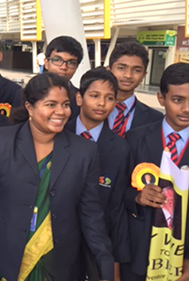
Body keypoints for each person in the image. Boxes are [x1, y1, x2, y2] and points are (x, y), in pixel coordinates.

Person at [0, 72, 114, 281]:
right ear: (29, 107)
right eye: (51, 104)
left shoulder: (84, 151)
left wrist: (105, 268)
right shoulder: (1, 142)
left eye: (65, 104)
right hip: (7, 261)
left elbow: (91, 215)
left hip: (58, 264)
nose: (60, 112)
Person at [121, 63, 189, 280]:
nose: (187, 109)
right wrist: (137, 197)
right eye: (178, 100)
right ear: (161, 99)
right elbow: (117, 194)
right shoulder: (135, 138)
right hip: (138, 258)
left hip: (183, 264)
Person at [65, 67, 130, 280]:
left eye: (109, 98)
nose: (102, 103)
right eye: (94, 96)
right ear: (79, 98)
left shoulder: (120, 148)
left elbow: (117, 210)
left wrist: (115, 262)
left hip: (96, 246)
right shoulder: (58, 134)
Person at [107, 42, 163, 137]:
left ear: (144, 75)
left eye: (137, 70)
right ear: (109, 70)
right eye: (121, 68)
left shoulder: (155, 118)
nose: (128, 75)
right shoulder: (90, 109)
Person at [44, 36, 84, 120]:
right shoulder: (26, 94)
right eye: (57, 60)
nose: (64, 67)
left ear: (76, 67)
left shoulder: (81, 98)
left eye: (71, 63)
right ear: (46, 63)